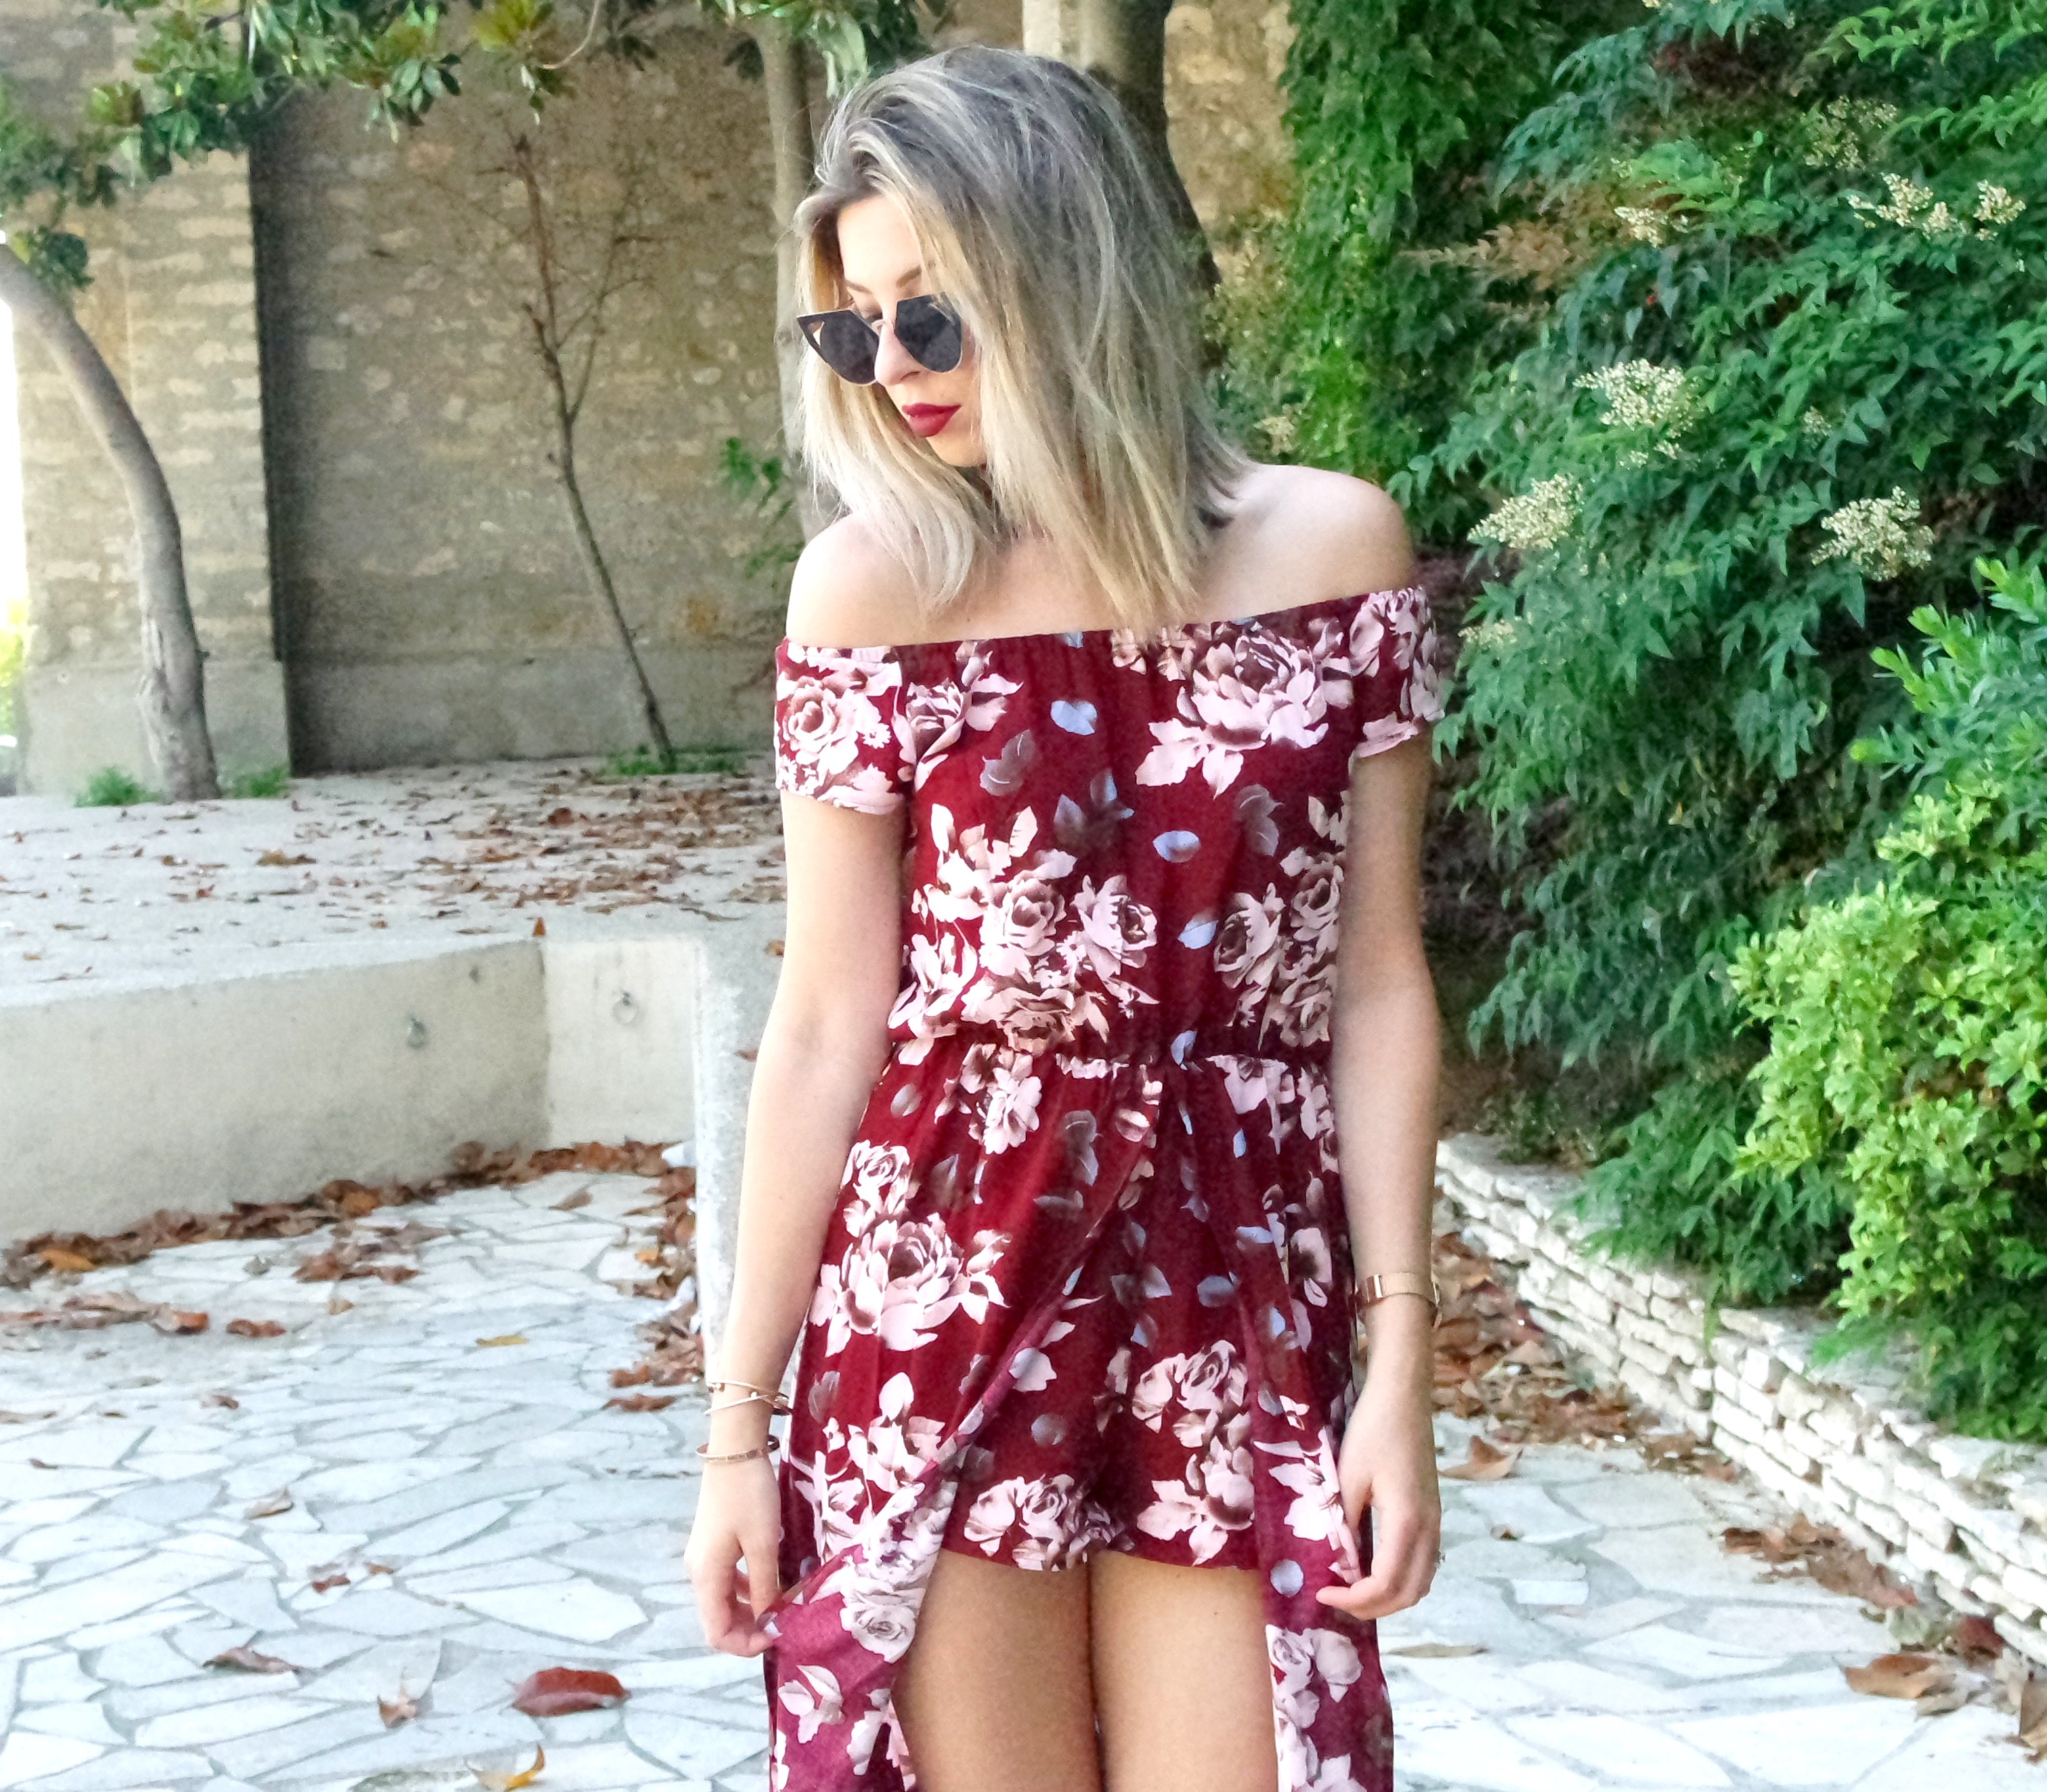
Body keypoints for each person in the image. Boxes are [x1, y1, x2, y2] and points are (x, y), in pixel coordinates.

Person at [683, 45, 1445, 1792]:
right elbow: (827, 1022)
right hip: (942, 1293)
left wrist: (1402, 1356)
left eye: (930, 316)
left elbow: (1378, 987)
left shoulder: (1335, 553)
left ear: (1064, 278)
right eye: (854, 331)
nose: (893, 370)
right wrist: (737, 1430)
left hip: (1239, 1298)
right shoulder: (869, 587)